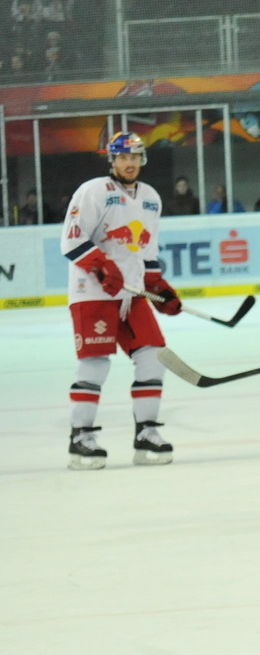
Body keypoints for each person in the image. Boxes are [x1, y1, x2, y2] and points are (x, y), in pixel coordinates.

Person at [60, 131, 178, 470]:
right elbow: (71, 240)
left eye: (135, 157)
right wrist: (101, 265)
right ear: (112, 160)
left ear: (142, 160)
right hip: (92, 292)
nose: (130, 163)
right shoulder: (94, 191)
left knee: (154, 356)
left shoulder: (151, 198)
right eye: (123, 158)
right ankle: (80, 437)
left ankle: (146, 432)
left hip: (132, 292)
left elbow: (147, 251)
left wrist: (159, 289)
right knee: (96, 362)